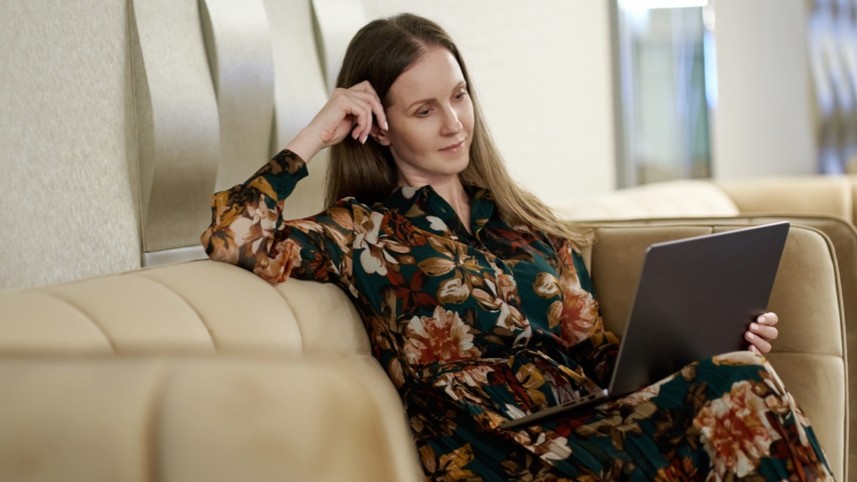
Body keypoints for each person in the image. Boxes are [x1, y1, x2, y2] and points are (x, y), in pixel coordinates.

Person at [201, 13, 834, 481]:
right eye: (424, 110)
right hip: (497, 454)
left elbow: (602, 361)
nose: (454, 123)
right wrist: (319, 130)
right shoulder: (361, 233)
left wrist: (708, 345)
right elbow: (233, 237)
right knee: (745, 394)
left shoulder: (526, 224)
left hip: (590, 427)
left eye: (459, 95)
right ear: (380, 127)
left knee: (744, 377)